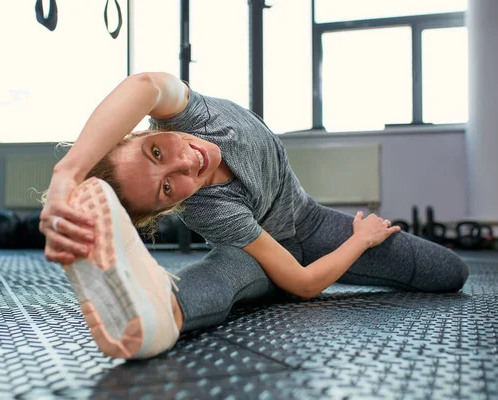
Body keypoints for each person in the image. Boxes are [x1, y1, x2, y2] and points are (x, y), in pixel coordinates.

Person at [39, 72, 469, 360]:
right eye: (167, 188)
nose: (185, 164)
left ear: (142, 131)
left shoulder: (194, 114)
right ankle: (162, 311)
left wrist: (68, 172)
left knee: (450, 271)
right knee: (227, 270)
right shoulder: (210, 209)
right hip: (264, 260)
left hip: (313, 226)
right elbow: (301, 284)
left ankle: (161, 299)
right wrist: (361, 239)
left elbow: (144, 83)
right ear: (168, 207)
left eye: (156, 151)